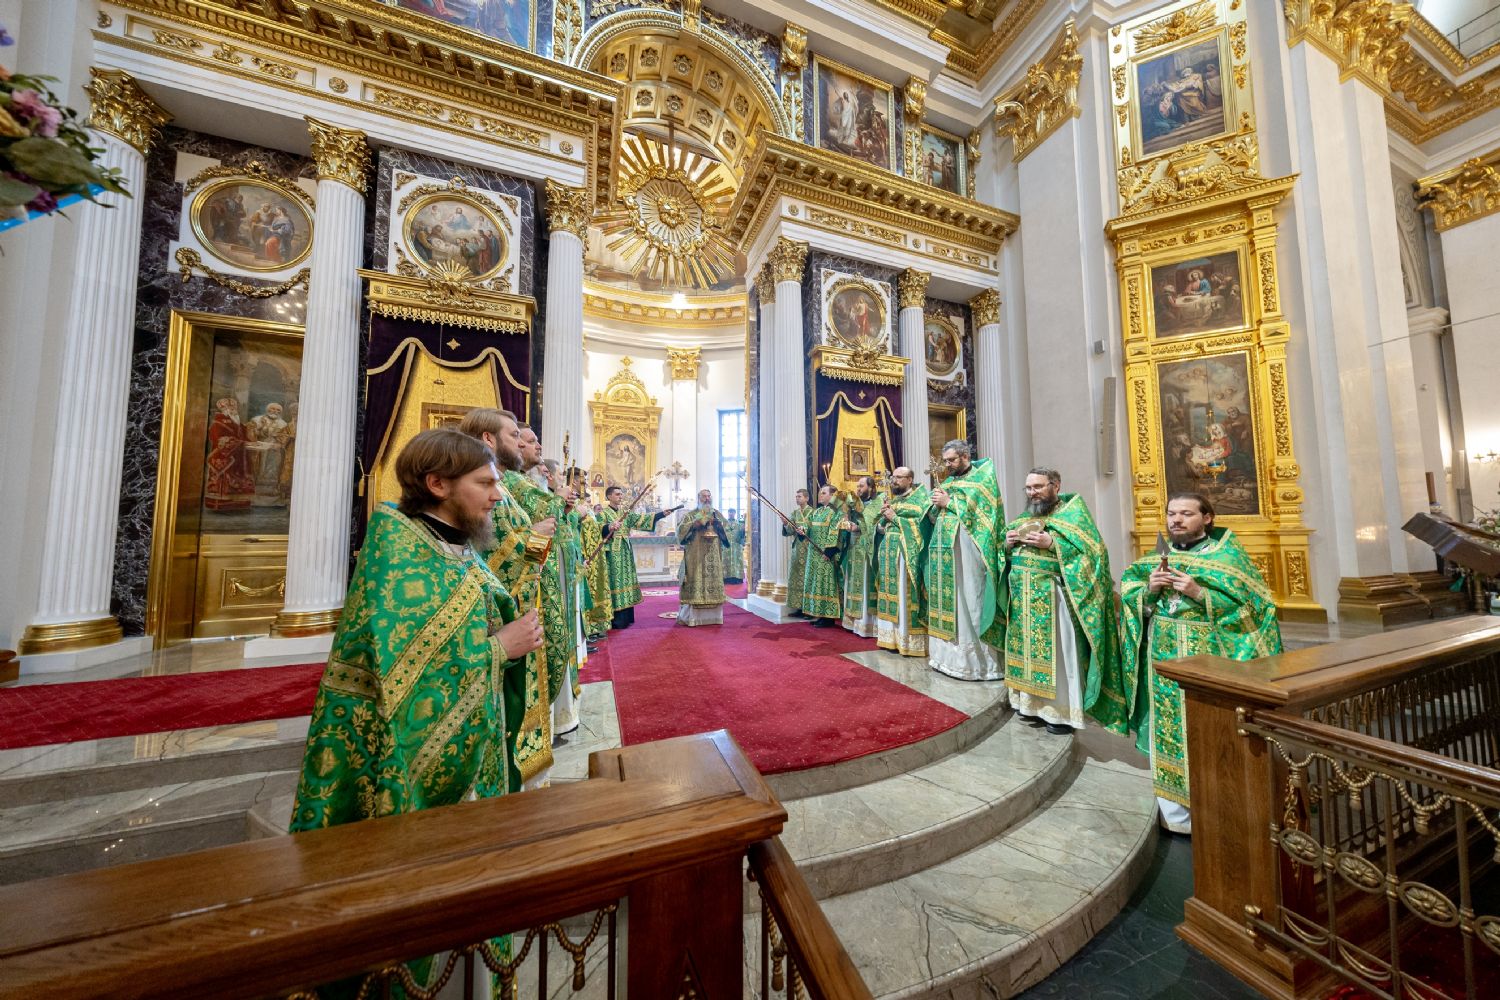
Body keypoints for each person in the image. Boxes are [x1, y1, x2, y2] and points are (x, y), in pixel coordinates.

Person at [289, 428, 544, 831]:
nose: (498, 495)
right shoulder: (401, 556)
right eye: (485, 484)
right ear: (438, 484)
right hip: (413, 782)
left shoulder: (456, 546)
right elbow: (405, 678)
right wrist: (500, 648)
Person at [1120, 493, 1281, 834]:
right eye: (1171, 514)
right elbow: (1133, 600)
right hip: (1163, 663)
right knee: (1167, 731)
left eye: (1186, 513)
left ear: (1207, 517)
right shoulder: (1156, 558)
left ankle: (1218, 810)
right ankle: (1175, 816)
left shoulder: (1227, 558)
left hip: (1209, 662)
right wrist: (1148, 590)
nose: (1176, 520)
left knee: (1211, 733)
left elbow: (1256, 611)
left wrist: (1199, 593)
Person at [456, 407, 557, 788]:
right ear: (488, 439)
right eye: (515, 435)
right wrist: (537, 537)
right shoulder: (494, 490)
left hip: (521, 617)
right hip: (503, 624)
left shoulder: (503, 487)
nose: (522, 443)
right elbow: (499, 561)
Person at [1000, 468, 1127, 736]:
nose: (1032, 493)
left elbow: (1094, 555)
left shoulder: (1073, 515)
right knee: (1026, 653)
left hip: (1054, 598)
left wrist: (1053, 544)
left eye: (1038, 487)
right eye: (1028, 488)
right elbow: (1005, 555)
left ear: (1055, 486)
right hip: (1022, 599)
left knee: (1058, 655)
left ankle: (1060, 713)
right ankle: (1030, 705)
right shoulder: (1025, 518)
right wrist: (1008, 544)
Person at [925, 440, 1005, 680]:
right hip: (944, 552)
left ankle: (975, 664)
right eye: (945, 461)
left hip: (968, 551)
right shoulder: (949, 483)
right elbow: (934, 516)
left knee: (969, 598)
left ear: (965, 456)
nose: (947, 465)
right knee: (949, 600)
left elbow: (985, 517)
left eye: (951, 460)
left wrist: (949, 503)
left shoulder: (982, 479)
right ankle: (945, 659)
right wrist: (933, 506)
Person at [599, 484, 678, 629]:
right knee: (616, 581)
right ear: (609, 496)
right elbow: (598, 529)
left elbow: (642, 519)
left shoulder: (625, 513)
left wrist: (661, 514)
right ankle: (616, 619)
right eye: (617, 494)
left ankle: (627, 617)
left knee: (626, 581)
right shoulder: (603, 514)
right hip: (613, 553)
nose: (620, 496)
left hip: (625, 551)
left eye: (621, 494)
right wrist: (609, 527)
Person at [875, 466, 929, 657]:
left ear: (910, 479)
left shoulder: (921, 499)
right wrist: (884, 519)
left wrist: (895, 518)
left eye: (899, 477)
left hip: (906, 554)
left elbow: (922, 526)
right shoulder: (895, 500)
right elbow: (882, 528)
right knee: (890, 594)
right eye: (893, 478)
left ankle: (910, 642)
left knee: (905, 595)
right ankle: (891, 639)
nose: (894, 481)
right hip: (889, 555)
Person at [676, 489, 730, 626]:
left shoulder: (716, 514)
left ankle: (714, 618)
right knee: (695, 579)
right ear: (698, 498)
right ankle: (693, 618)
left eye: (708, 496)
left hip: (713, 555)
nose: (707, 499)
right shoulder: (690, 515)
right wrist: (695, 525)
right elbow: (680, 532)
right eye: (704, 496)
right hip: (696, 556)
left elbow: (728, 530)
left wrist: (718, 524)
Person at [840, 476, 883, 638]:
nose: (858, 489)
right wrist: (848, 521)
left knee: (865, 583)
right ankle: (852, 622)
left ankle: (866, 624)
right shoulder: (855, 504)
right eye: (857, 486)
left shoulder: (878, 503)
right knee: (852, 581)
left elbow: (875, 525)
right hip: (853, 547)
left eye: (861, 486)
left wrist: (858, 527)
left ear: (871, 488)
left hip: (868, 549)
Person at [800, 485, 846, 628]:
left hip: (825, 554)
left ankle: (828, 617)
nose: (820, 495)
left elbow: (836, 532)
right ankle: (818, 613)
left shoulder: (836, 512)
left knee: (825, 583)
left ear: (832, 496)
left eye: (824, 493)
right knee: (815, 584)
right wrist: (802, 529)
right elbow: (808, 525)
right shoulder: (817, 511)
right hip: (813, 553)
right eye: (820, 492)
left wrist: (830, 551)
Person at [205, 397, 254, 511]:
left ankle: (240, 503)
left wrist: (252, 440)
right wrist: (241, 443)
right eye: (230, 408)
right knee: (225, 479)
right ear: (224, 410)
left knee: (241, 479)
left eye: (234, 408)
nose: (233, 410)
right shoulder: (217, 423)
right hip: (225, 457)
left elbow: (246, 438)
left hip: (240, 457)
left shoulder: (239, 423)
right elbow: (219, 440)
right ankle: (221, 504)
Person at [784, 488, 813, 615]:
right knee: (797, 577)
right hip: (797, 549)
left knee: (807, 577)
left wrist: (805, 529)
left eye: (799, 496)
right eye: (796, 496)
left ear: (807, 498)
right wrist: (786, 524)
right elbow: (790, 531)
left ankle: (809, 609)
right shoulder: (794, 513)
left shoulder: (813, 513)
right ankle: (798, 607)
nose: (797, 498)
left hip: (809, 549)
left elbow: (814, 529)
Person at [723, 509, 746, 584]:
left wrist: (743, 528)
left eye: (732, 512)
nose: (731, 514)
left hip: (736, 546)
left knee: (737, 561)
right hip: (726, 546)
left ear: (735, 513)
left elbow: (742, 534)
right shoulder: (724, 523)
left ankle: (737, 578)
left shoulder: (739, 523)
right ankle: (726, 578)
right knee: (725, 561)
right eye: (729, 512)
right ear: (728, 513)